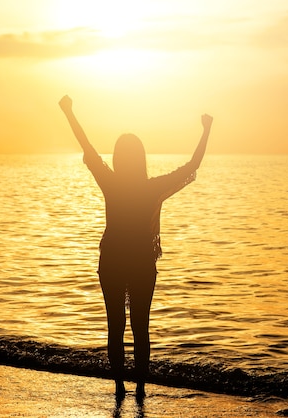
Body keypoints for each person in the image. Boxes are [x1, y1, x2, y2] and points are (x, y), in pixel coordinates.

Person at [59, 95, 212, 398]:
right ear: (141, 158)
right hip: (141, 263)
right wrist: (206, 130)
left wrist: (68, 112)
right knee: (141, 327)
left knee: (115, 327)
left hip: (112, 261)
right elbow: (193, 165)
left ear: (118, 158)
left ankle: (119, 387)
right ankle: (140, 389)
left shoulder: (111, 182)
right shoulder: (152, 188)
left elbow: (86, 147)